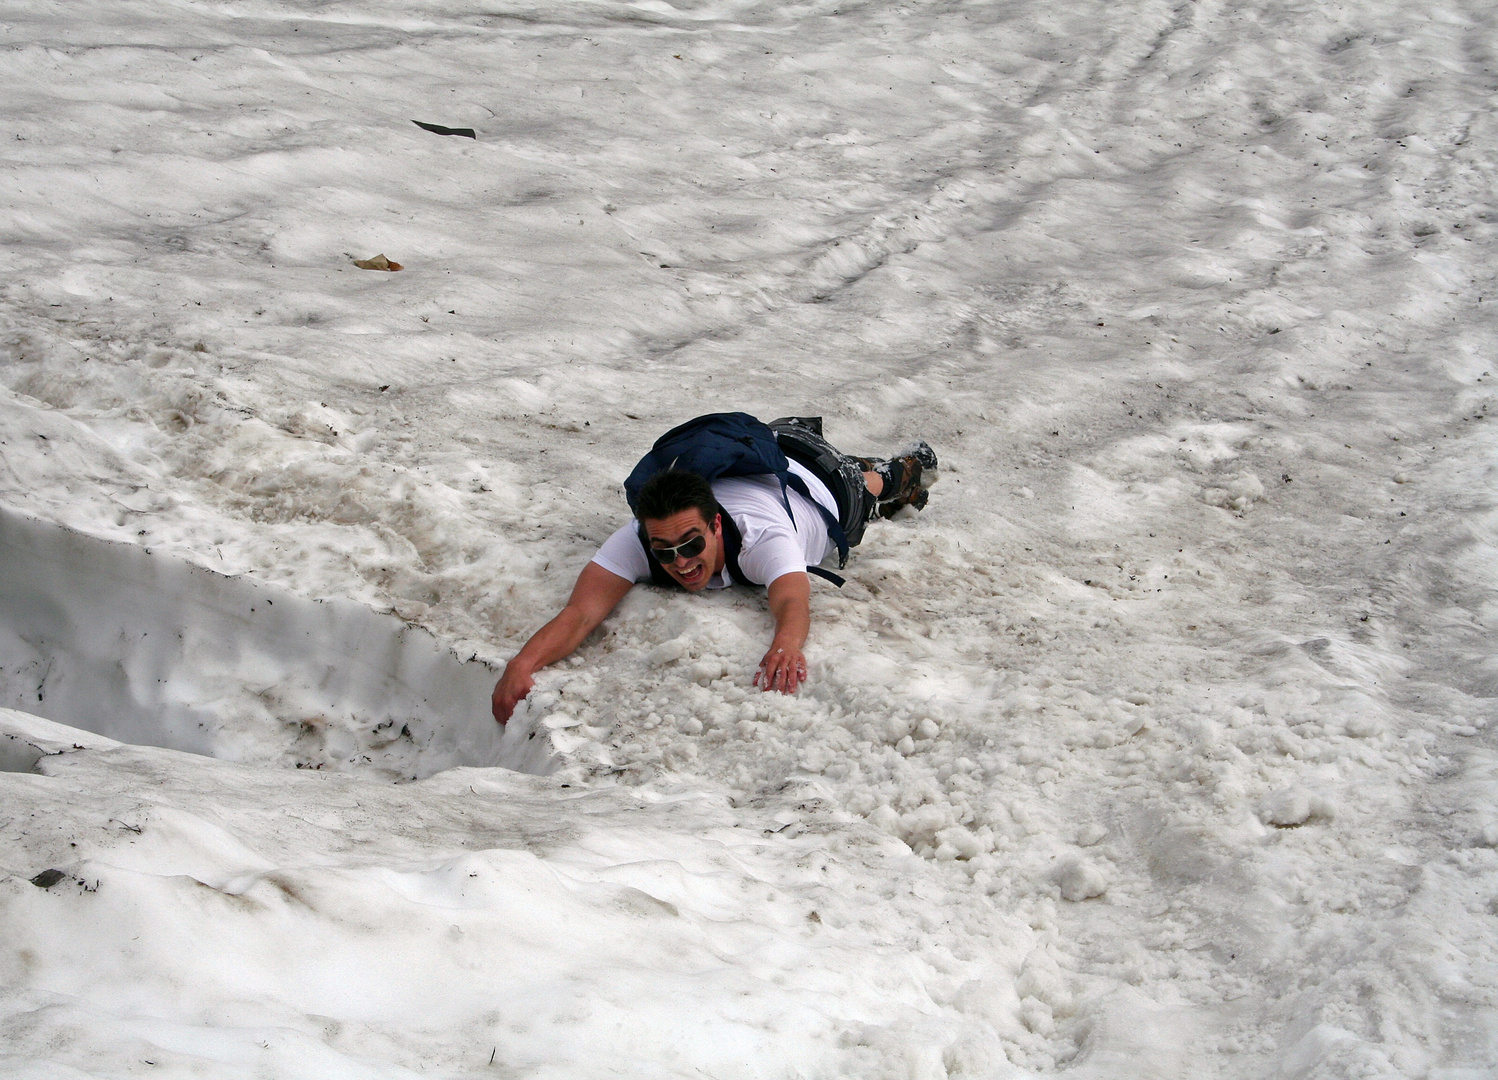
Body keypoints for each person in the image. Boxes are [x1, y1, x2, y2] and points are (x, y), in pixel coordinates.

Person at [490, 416, 936, 724]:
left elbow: (792, 597)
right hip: (768, 447)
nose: (681, 562)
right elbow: (580, 613)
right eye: (664, 551)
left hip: (823, 482)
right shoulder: (639, 537)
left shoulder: (763, 538)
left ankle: (899, 472)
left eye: (692, 544)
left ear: (717, 525)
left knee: (870, 486)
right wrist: (522, 664)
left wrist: (785, 645)